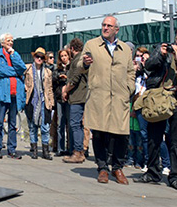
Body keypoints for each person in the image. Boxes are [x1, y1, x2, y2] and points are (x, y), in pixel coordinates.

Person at [79, 16, 135, 185]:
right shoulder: (92, 45)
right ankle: (102, 168)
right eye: (103, 25)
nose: (105, 28)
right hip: (99, 97)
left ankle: (118, 167)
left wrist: (129, 89)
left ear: (116, 29)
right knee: (99, 133)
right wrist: (86, 63)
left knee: (121, 135)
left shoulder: (125, 48)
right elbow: (79, 66)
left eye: (109, 26)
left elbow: (131, 72)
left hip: (119, 98)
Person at [136, 26, 177, 191]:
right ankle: (153, 172)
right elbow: (148, 66)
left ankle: (176, 176)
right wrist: (161, 54)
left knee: (176, 140)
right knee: (154, 137)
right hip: (159, 99)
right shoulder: (163, 49)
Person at [0, 33, 26, 159]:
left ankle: (12, 149)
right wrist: (16, 73)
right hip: (3, 94)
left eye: (12, 40)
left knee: (13, 123)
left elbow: (22, 68)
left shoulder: (15, 54)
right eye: (8, 40)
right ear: (2, 43)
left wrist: (13, 55)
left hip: (15, 94)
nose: (11, 43)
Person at [24, 47, 54, 160]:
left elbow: (49, 88)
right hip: (31, 101)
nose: (39, 59)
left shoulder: (48, 72)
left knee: (45, 127)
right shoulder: (27, 69)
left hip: (44, 100)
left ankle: (45, 151)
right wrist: (24, 87)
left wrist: (51, 102)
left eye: (42, 57)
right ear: (34, 57)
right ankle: (35, 150)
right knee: (32, 127)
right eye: (38, 56)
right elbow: (19, 77)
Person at [62, 38, 87, 163]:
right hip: (80, 96)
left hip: (77, 97)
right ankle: (80, 151)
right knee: (79, 125)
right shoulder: (81, 59)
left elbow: (74, 79)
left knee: (75, 124)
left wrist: (65, 90)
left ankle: (77, 152)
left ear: (72, 49)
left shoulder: (78, 60)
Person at [53, 48, 71, 156]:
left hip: (69, 98)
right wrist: (59, 77)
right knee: (60, 124)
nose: (64, 58)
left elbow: (74, 79)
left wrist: (67, 77)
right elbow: (53, 79)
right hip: (60, 98)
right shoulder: (58, 69)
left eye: (65, 55)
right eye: (62, 56)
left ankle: (70, 147)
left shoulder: (71, 67)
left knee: (70, 124)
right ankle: (60, 148)